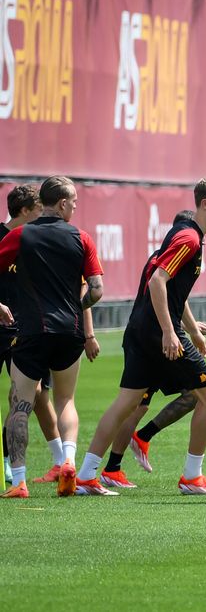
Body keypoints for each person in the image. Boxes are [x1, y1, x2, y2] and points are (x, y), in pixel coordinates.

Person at [74, 178, 206, 496]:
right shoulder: (189, 238)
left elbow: (174, 289)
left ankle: (87, 476)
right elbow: (158, 283)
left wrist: (189, 329)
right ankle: (192, 477)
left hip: (141, 330)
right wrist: (169, 332)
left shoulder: (187, 237)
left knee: (127, 403)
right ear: (205, 204)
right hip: (156, 333)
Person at [0, 176, 104, 499]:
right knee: (66, 400)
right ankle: (69, 461)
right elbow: (97, 290)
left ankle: (18, 481)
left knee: (20, 404)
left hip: (30, 331)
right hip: (70, 332)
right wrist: (78, 305)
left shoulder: (20, 236)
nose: (75, 206)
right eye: (73, 202)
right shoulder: (82, 238)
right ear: (61, 203)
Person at [99, 211, 202, 489]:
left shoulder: (164, 254)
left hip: (149, 336)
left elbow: (177, 299)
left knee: (138, 404)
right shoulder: (180, 248)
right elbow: (162, 291)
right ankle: (133, 446)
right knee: (197, 394)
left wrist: (191, 328)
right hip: (153, 339)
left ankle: (112, 467)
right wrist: (174, 331)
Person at [1, 184, 67, 486]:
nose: (43, 215)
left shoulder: (36, 240)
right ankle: (8, 466)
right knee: (23, 397)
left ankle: (57, 462)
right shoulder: (9, 238)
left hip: (27, 330)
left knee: (34, 394)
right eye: (39, 209)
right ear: (26, 210)